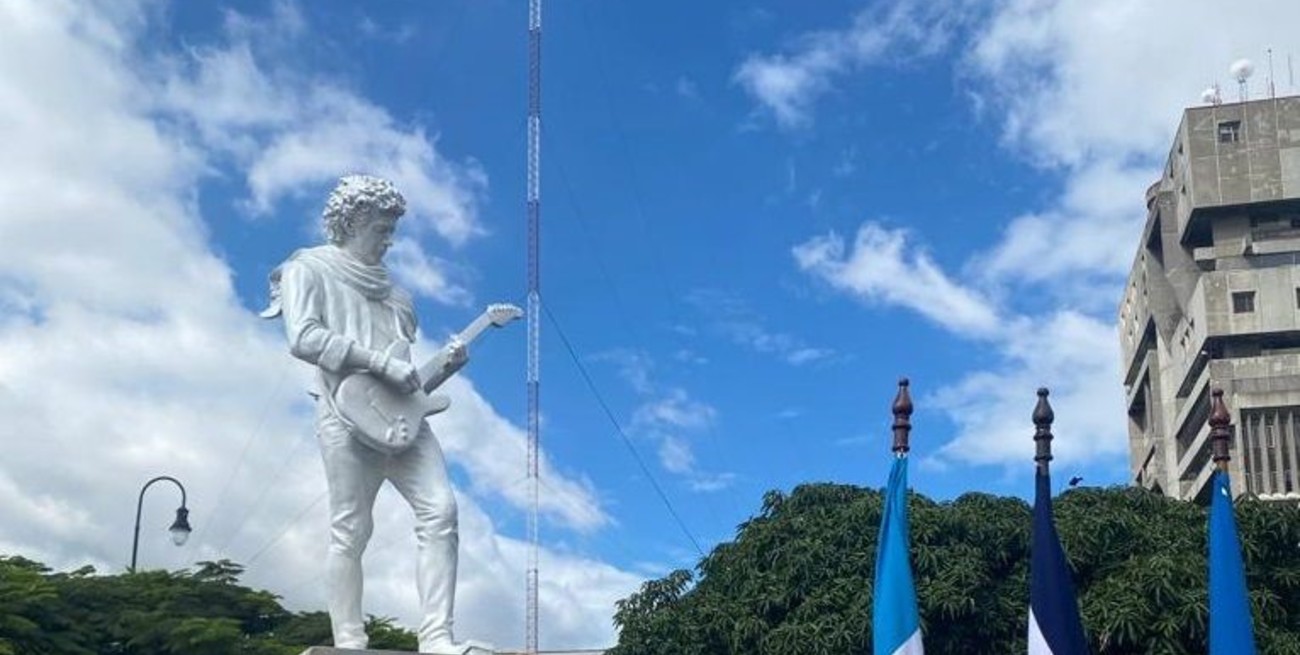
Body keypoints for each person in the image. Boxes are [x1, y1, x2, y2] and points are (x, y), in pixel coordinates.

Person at [262, 174, 478, 653]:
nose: (389, 239)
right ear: (354, 221)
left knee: (442, 512)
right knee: (351, 529)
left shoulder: (398, 296)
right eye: (382, 228)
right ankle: (349, 639)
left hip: (403, 425)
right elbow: (304, 338)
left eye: (392, 229)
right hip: (344, 415)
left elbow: (407, 387)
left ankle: (437, 636)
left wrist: (446, 367)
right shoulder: (307, 269)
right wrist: (378, 362)